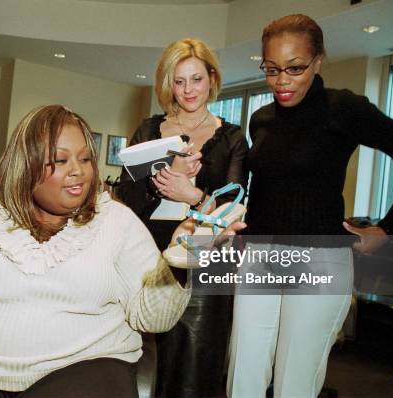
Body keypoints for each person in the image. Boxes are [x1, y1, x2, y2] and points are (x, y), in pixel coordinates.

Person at [0, 105, 210, 398]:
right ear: (26, 166)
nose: (78, 171)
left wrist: (180, 265)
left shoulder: (118, 221)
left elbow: (151, 318)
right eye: (60, 160)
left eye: (85, 158)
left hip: (84, 368)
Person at [226, 14, 393, 398]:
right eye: (271, 69)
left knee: (295, 380)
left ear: (319, 60)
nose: (281, 81)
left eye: (295, 68)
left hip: (318, 259)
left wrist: (390, 228)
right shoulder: (262, 118)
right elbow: (266, 188)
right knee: (244, 373)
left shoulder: (343, 108)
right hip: (260, 256)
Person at [116, 38, 248, 398]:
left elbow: (232, 209)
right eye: (179, 81)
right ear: (168, 84)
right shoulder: (148, 131)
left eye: (196, 79)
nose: (188, 90)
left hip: (204, 256)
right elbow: (125, 198)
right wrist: (166, 178)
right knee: (137, 362)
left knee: (193, 366)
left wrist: (192, 195)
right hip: (148, 252)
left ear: (212, 78)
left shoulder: (232, 138)